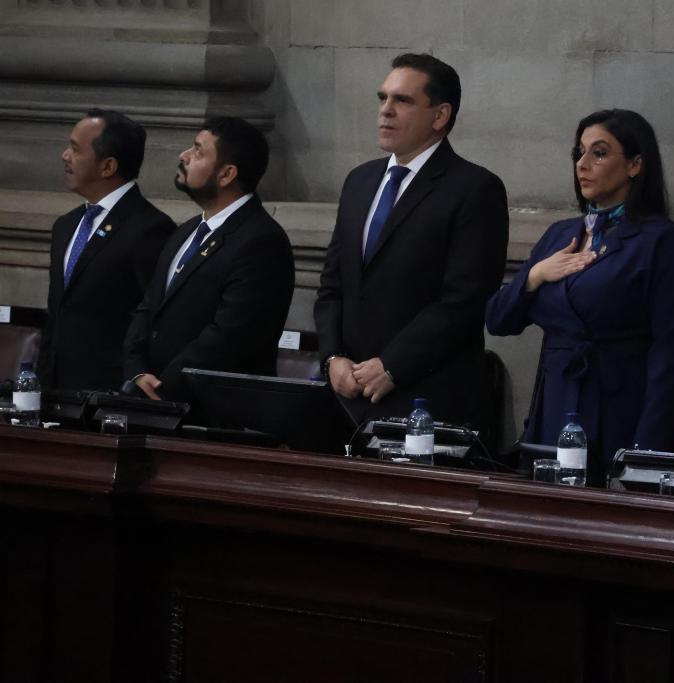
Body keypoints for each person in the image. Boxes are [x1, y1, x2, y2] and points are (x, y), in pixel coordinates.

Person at [486, 109, 674, 484]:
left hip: (619, 407)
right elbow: (498, 320)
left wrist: (646, 452)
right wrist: (535, 276)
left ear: (635, 164)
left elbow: (673, 351)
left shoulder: (661, 240)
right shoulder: (559, 234)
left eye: (599, 153)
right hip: (554, 407)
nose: (582, 164)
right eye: (579, 153)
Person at [314, 53, 509, 429]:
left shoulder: (473, 188)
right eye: (382, 98)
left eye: (402, 101)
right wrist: (332, 356)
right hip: (346, 396)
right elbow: (333, 282)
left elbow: (464, 300)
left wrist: (393, 365)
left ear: (440, 116)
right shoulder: (360, 181)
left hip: (425, 397)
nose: (385, 110)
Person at [123, 117, 295, 402]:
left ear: (226, 174)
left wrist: (164, 387)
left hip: (211, 413)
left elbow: (230, 336)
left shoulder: (261, 241)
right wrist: (137, 371)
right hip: (155, 404)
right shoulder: (185, 232)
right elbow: (148, 308)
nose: (184, 156)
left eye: (198, 151)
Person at [38, 109, 175, 392]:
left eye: (75, 149)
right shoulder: (66, 226)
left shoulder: (150, 229)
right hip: (55, 391)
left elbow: (154, 318)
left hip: (110, 397)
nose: (65, 155)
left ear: (107, 167)